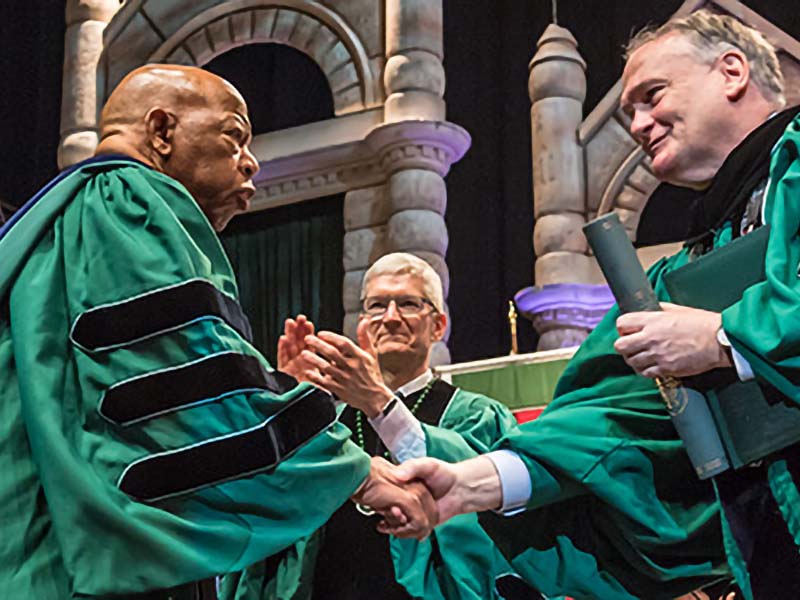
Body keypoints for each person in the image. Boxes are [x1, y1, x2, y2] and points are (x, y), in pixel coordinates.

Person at [391, 10, 800, 600]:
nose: (637, 123)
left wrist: (720, 339)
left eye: (651, 95)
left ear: (732, 71)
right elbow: (608, 416)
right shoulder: (681, 275)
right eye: (629, 109)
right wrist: (469, 483)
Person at [0, 64, 435, 599]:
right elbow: (182, 383)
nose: (251, 162)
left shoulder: (43, 228)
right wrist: (354, 471)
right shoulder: (129, 201)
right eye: (234, 137)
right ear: (162, 132)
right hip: (90, 567)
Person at [221, 252, 542, 599]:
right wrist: (289, 411)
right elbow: (271, 507)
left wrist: (380, 403)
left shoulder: (476, 415)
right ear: (363, 323)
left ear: (438, 325)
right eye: (377, 305)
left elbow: (480, 502)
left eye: (407, 303)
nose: (390, 318)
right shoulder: (331, 422)